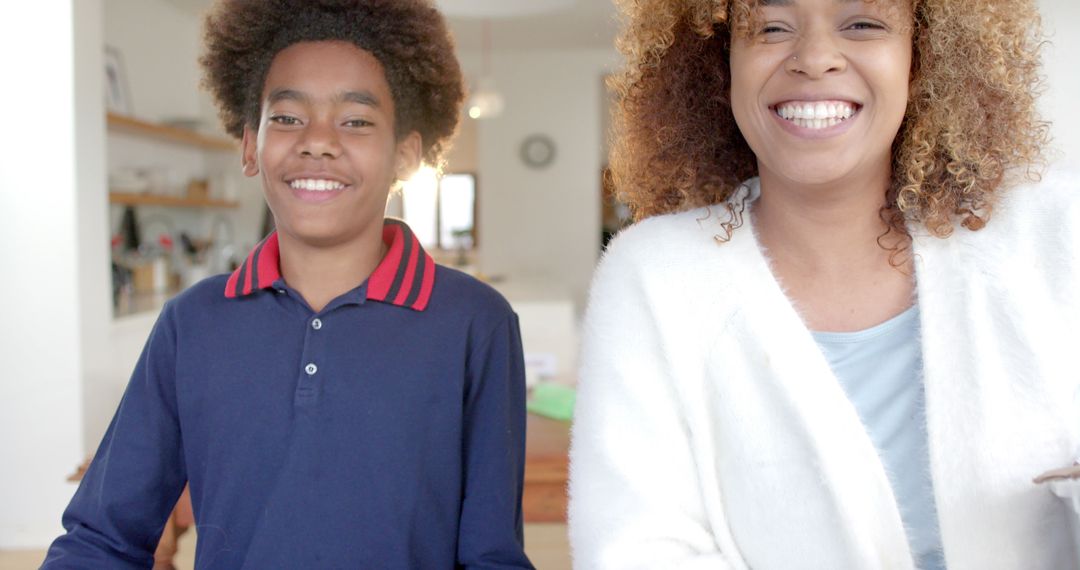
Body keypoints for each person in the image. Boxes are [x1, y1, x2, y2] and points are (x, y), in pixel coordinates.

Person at [569, 0, 1079, 568]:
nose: (814, 59)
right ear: (719, 63)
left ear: (925, 55)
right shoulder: (654, 275)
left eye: (864, 24)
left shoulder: (1055, 234)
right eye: (771, 28)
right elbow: (639, 551)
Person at [43, 1, 534, 568]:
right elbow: (102, 538)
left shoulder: (475, 321)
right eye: (287, 117)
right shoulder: (193, 322)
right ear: (250, 146)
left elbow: (492, 555)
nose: (318, 140)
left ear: (405, 154)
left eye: (355, 120)